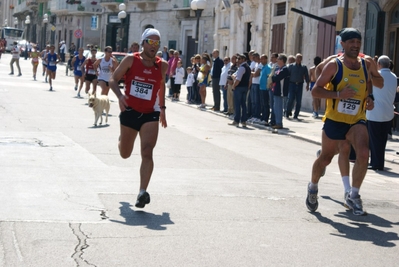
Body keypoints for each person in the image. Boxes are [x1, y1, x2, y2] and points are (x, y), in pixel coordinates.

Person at [306, 28, 375, 216]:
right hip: (335, 119)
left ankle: (354, 195)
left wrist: (370, 97)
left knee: (363, 153)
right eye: (351, 41)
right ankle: (312, 187)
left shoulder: (365, 65)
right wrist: (338, 95)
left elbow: (368, 83)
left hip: (357, 119)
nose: (355, 44)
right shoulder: (333, 66)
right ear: (342, 44)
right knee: (326, 158)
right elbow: (316, 91)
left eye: (358, 42)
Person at [109, 28, 168, 208]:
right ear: (143, 43)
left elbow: (161, 85)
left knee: (147, 151)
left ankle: (142, 192)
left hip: (150, 114)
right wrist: (120, 96)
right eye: (150, 41)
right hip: (130, 111)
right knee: (125, 154)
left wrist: (163, 108)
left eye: (157, 42)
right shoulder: (130, 60)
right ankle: (122, 139)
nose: (154, 45)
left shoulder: (162, 65)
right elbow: (113, 79)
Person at [366, 55, 397, 170]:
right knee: (382, 140)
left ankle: (375, 163)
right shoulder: (394, 77)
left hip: (375, 112)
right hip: (388, 112)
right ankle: (379, 163)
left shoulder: (376, 76)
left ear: (378, 64)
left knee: (374, 140)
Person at [229, 54, 251, 127]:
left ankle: (236, 120)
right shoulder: (248, 67)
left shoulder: (242, 67)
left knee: (237, 104)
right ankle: (243, 120)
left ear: (244, 59)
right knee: (243, 104)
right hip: (245, 87)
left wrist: (234, 86)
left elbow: (238, 79)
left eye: (240, 59)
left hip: (239, 87)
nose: (238, 60)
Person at [286, 53, 310, 120]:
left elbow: (306, 76)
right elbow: (287, 76)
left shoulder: (304, 67)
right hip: (292, 84)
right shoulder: (291, 66)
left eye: (300, 58)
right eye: (297, 58)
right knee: (290, 99)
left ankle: (296, 115)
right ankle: (287, 113)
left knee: (298, 101)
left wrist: (307, 85)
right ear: (295, 59)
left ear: (301, 59)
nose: (298, 59)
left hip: (299, 85)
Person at [271, 54, 289, 129]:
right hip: (276, 90)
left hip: (280, 91)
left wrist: (273, 77)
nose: (277, 60)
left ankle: (279, 123)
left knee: (278, 107)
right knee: (275, 107)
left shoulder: (285, 69)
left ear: (282, 60)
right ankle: (277, 122)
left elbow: (276, 78)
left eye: (278, 59)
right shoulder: (278, 68)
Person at [259, 54, 271, 125]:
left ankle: (266, 119)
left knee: (266, 104)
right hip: (261, 87)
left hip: (265, 88)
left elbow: (269, 78)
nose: (261, 60)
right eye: (260, 59)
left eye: (262, 59)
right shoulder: (263, 67)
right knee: (262, 104)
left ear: (266, 59)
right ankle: (262, 117)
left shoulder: (268, 67)